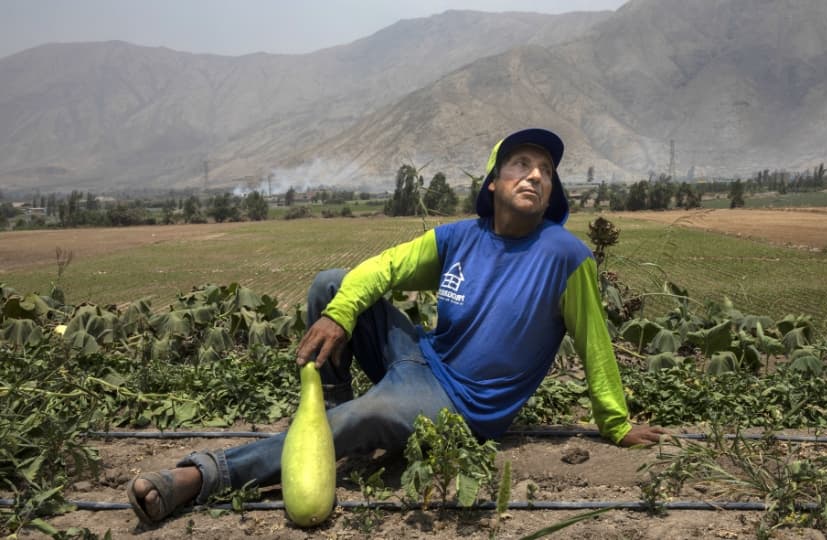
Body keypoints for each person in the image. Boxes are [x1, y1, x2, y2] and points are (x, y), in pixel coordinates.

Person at [127, 127, 667, 525]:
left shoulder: (565, 257)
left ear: (552, 192)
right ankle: (331, 419)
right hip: (417, 359)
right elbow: (382, 268)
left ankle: (203, 475)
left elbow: (595, 343)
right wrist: (340, 312)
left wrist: (615, 423)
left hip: (462, 406)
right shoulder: (459, 238)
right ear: (494, 184)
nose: (535, 175)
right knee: (331, 284)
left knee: (375, 411)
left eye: (545, 171)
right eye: (521, 165)